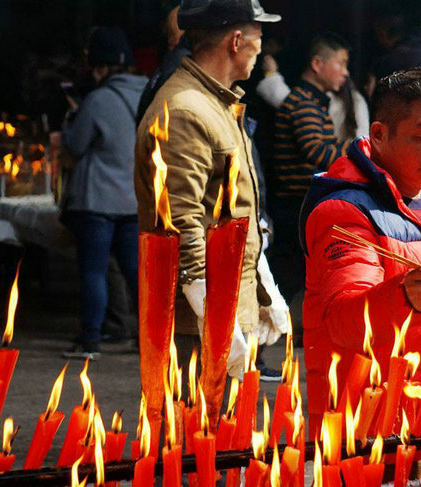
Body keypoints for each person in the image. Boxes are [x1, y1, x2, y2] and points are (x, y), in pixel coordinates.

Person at [300, 68, 421, 435]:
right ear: (379, 135)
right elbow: (341, 320)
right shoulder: (343, 212)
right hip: (379, 423)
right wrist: (403, 295)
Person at [135, 0, 284, 378]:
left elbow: (232, 208)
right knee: (197, 433)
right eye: (259, 38)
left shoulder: (215, 103)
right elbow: (182, 223)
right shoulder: (186, 109)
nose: (261, 48)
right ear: (236, 41)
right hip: (198, 324)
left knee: (227, 434)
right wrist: (217, 323)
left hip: (229, 304)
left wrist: (264, 289)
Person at [60, 26, 148, 359]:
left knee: (94, 270)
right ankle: (147, 337)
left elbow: (75, 145)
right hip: (134, 199)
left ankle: (90, 340)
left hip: (97, 200)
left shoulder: (97, 100)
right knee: (136, 272)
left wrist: (72, 115)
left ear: (100, 67)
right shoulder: (149, 93)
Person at [268, 33, 353, 304]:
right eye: (340, 63)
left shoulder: (313, 101)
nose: (345, 72)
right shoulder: (304, 101)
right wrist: (358, 150)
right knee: (294, 273)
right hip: (295, 205)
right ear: (317, 64)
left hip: (301, 203)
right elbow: (316, 150)